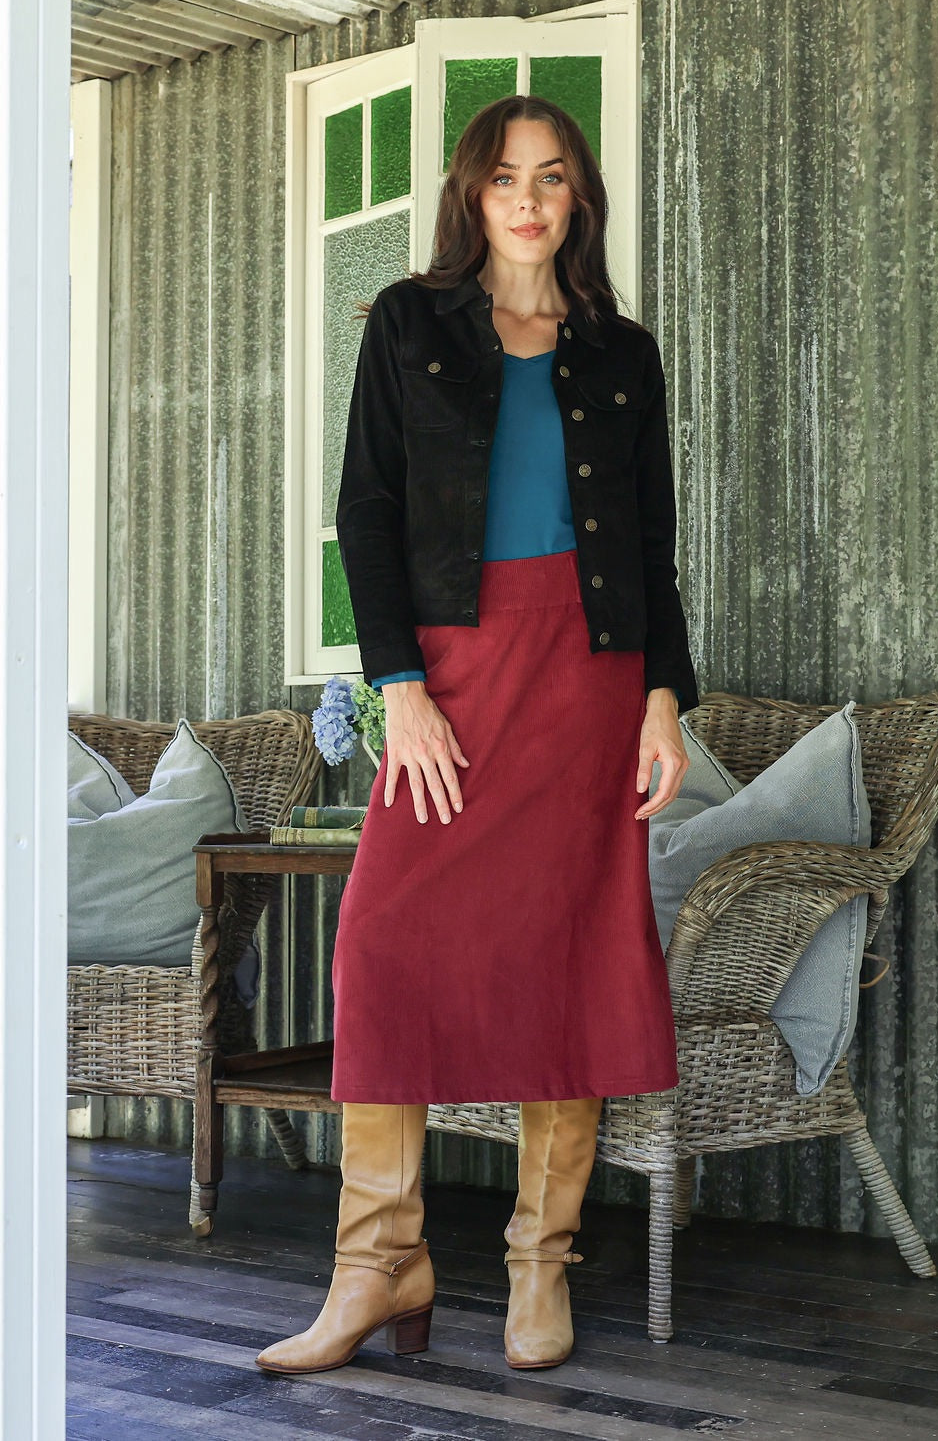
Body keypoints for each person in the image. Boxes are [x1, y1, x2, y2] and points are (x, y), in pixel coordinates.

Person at [256, 94, 698, 1378]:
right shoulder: (407, 323)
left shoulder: (623, 352)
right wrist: (397, 685)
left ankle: (537, 1261)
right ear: (470, 194)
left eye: (549, 178)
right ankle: (377, 1261)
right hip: (447, 670)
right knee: (384, 947)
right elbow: (367, 507)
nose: (525, 197)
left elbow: (653, 546)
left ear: (577, 201)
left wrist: (663, 696)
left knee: (566, 956)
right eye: (503, 177)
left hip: (586, 676)